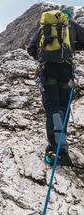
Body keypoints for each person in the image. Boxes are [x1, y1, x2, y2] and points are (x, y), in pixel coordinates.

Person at [27, 9, 84, 166]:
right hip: (66, 72)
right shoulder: (70, 25)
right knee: (63, 108)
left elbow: (30, 49)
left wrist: (43, 58)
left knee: (52, 108)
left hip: (48, 71)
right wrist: (70, 48)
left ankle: (57, 150)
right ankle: (61, 145)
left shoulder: (44, 27)